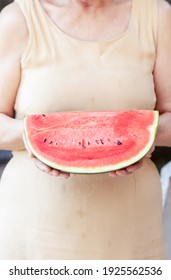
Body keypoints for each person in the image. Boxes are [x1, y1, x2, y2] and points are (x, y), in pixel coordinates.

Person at [0, 0, 171, 260]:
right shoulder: (18, 18)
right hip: (34, 229)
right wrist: (35, 136)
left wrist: (139, 138)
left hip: (131, 230)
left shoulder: (157, 15)